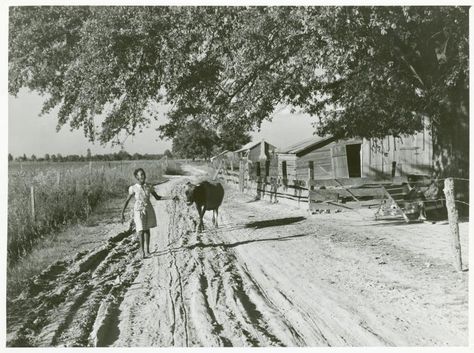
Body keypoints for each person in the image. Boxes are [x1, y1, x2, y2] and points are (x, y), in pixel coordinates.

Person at [121, 168, 161, 258]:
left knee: (147, 229)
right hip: (138, 210)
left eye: (143, 174)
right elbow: (127, 201)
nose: (143, 176)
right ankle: (142, 251)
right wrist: (122, 213)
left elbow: (158, 198)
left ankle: (147, 250)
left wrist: (171, 197)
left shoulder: (149, 186)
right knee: (141, 230)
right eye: (141, 174)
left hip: (148, 209)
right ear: (137, 177)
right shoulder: (133, 188)